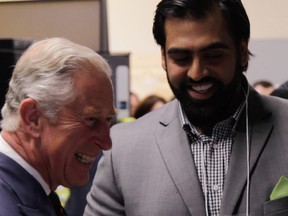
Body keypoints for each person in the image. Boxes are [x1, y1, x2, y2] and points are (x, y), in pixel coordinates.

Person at [84, 0, 288, 216]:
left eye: (213, 56)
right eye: (181, 58)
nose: (197, 73)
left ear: (243, 50)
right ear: (163, 57)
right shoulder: (123, 150)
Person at [0, 37, 115, 215]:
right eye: (91, 119)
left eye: (108, 120)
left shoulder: (32, 191)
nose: (106, 143)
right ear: (33, 118)